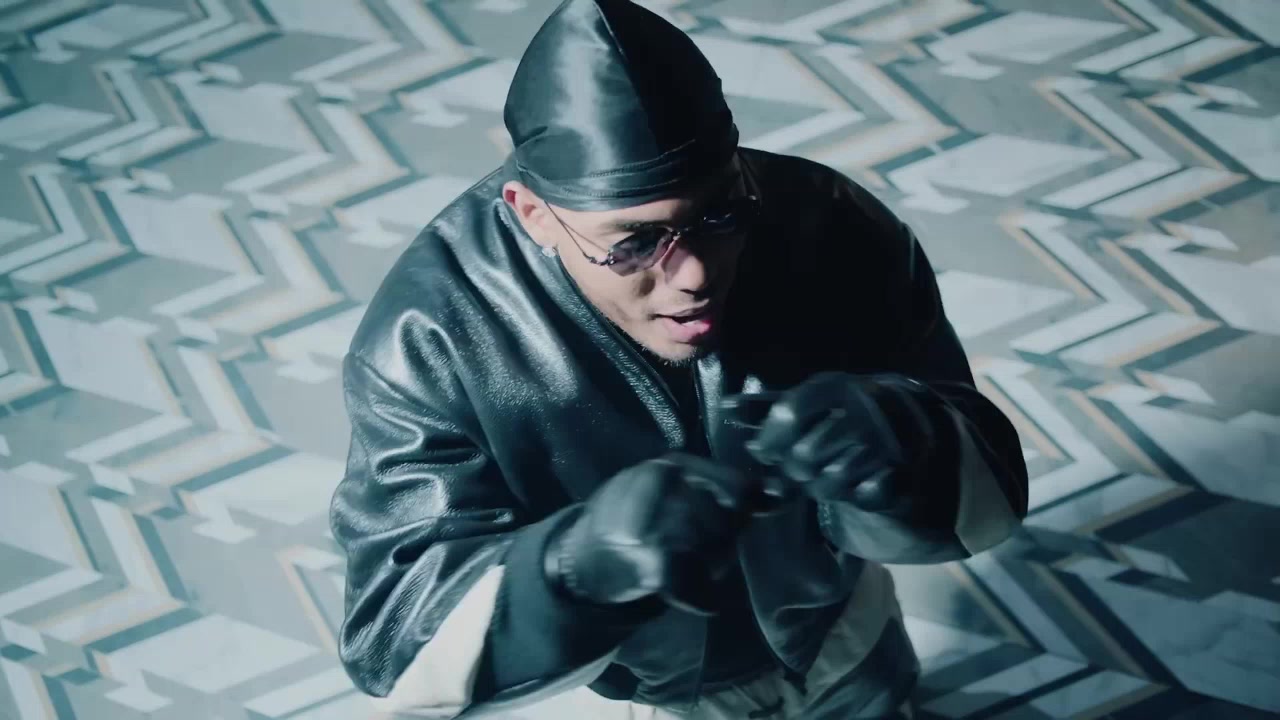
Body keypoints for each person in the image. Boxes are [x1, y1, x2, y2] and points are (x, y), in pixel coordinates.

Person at [330, 0, 1029, 717]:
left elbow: (993, 494)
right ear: (533, 213)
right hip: (649, 697)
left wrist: (907, 437)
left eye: (718, 215)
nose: (694, 274)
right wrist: (570, 567)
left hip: (846, 638)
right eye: (634, 243)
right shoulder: (430, 339)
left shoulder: (831, 223)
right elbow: (394, 645)